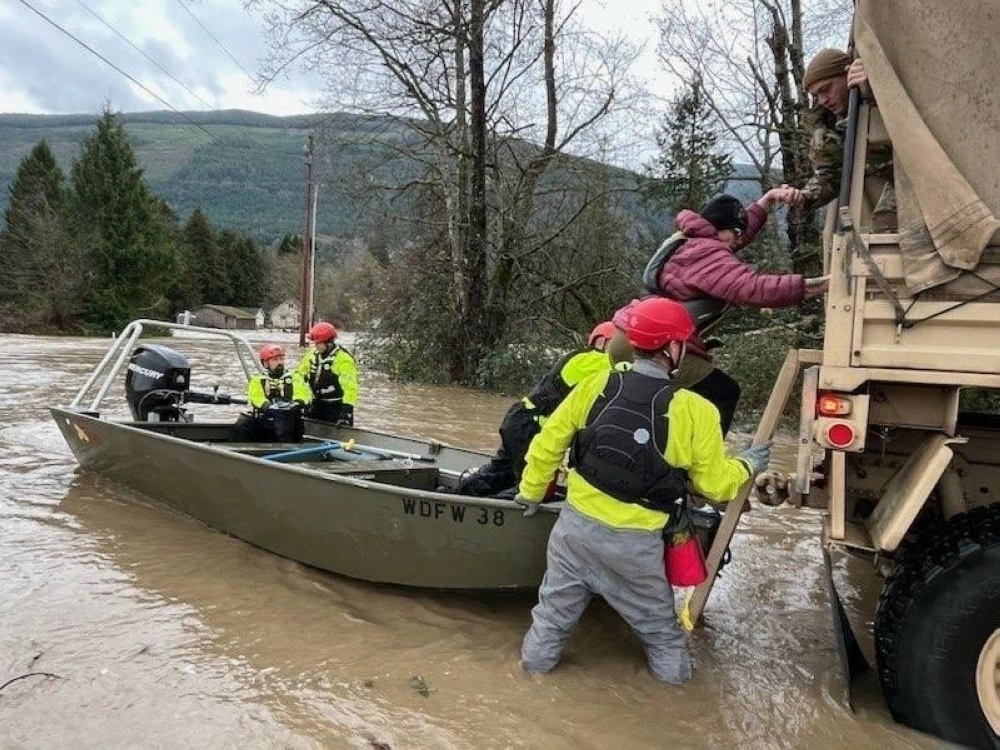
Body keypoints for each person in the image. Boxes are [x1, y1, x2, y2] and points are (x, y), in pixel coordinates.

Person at [516, 297, 772, 684]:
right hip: (636, 547)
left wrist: (532, 493)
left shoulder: (595, 384)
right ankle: (675, 704)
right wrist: (748, 464)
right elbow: (714, 484)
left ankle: (529, 681)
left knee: (550, 621)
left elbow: (547, 445)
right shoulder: (697, 410)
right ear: (674, 348)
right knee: (662, 637)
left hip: (573, 533)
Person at [631, 191, 828, 434]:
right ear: (720, 227)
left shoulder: (692, 240)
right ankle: (701, 456)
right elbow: (754, 288)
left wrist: (766, 202)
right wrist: (816, 286)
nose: (738, 240)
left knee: (679, 404)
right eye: (736, 233)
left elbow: (736, 237)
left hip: (645, 336)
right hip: (665, 346)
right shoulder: (707, 255)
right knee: (723, 393)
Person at [455, 321, 617, 498]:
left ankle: (454, 495)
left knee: (499, 474)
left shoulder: (581, 359)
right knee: (532, 490)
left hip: (520, 422)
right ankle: (483, 507)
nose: (624, 350)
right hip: (530, 429)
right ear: (600, 342)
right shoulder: (591, 360)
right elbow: (627, 370)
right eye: (618, 343)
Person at [787, 49, 894, 229]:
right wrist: (803, 197)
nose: (823, 100)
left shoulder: (888, 98)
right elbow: (832, 175)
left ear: (848, 74)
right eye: (816, 95)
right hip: (863, 217)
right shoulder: (828, 126)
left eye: (826, 89)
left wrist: (872, 96)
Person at [232, 343, 312, 442]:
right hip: (266, 420)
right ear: (265, 363)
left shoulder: (294, 377)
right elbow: (256, 397)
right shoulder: (258, 380)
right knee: (242, 424)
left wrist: (295, 403)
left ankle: (287, 447)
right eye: (275, 360)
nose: (279, 363)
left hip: (288, 421)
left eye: (281, 359)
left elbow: (303, 393)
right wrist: (268, 406)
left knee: (286, 423)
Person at [296, 321, 359, 426]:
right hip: (316, 404)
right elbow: (298, 376)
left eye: (318, 343)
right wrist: (301, 399)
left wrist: (346, 410)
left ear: (329, 342)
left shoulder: (343, 360)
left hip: (337, 407)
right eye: (315, 343)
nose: (316, 346)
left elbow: (350, 388)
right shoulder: (312, 356)